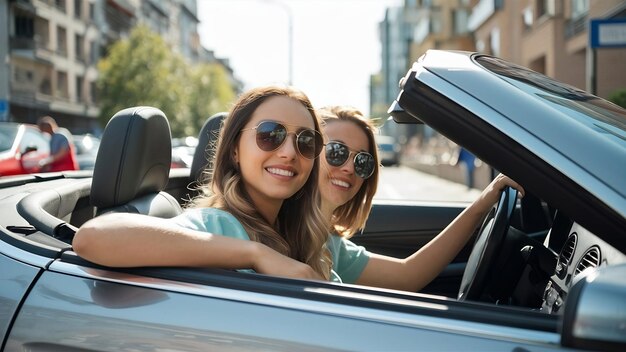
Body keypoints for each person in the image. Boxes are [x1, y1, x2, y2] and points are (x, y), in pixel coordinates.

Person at [73, 86, 332, 280]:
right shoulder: (216, 225)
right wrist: (256, 255)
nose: (289, 152)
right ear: (234, 151)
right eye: (269, 134)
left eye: (306, 141)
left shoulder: (303, 234)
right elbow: (93, 237)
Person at [316, 106, 525, 292]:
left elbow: (407, 276)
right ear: (308, 153)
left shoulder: (330, 243)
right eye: (337, 151)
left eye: (362, 161)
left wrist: (482, 205)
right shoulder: (286, 233)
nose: (349, 168)